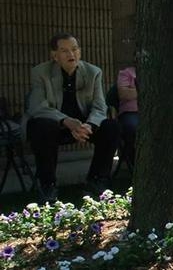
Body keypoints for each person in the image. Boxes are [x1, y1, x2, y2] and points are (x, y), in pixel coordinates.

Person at [24, 33, 120, 202]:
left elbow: (100, 106)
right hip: (56, 126)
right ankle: (47, 186)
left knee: (111, 127)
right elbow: (37, 106)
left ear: (80, 52)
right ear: (54, 56)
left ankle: (96, 181)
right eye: (64, 51)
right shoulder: (40, 72)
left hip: (83, 127)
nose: (71, 55)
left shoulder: (93, 72)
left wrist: (89, 125)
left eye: (74, 49)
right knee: (42, 127)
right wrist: (66, 121)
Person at [116, 65, 139, 167]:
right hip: (130, 112)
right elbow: (124, 94)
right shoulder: (126, 73)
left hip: (152, 113)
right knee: (133, 127)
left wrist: (134, 91)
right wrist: (147, 90)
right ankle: (135, 163)